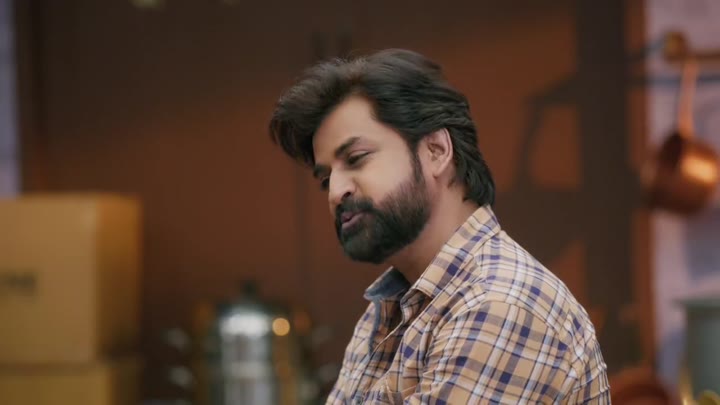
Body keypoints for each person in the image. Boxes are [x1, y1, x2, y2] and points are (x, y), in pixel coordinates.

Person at [269, 49, 610, 404]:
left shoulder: (498, 303)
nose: (336, 192)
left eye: (356, 159)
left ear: (436, 150)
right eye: (326, 179)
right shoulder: (389, 310)